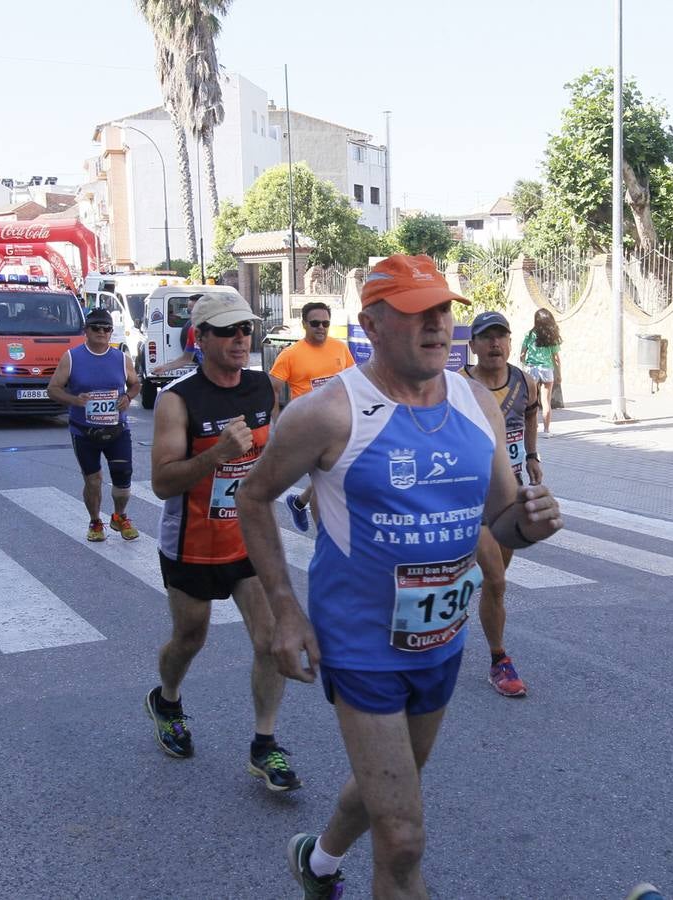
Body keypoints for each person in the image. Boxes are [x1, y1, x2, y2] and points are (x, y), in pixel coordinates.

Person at [236, 254, 564, 899]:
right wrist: (285, 611)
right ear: (373, 325)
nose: (438, 326)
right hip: (360, 642)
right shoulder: (330, 413)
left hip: (441, 636)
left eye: (444, 310)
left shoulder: (476, 403)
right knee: (404, 837)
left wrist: (531, 522)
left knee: (395, 780)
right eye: (418, 313)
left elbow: (501, 520)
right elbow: (253, 497)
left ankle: (320, 862)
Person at [145, 292, 300, 793]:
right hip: (192, 543)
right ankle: (166, 699)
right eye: (228, 331)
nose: (240, 339)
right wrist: (216, 455)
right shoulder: (178, 400)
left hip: (249, 541)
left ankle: (264, 745)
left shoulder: (263, 389)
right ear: (202, 338)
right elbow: (163, 483)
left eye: (246, 329)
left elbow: (270, 456)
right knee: (191, 638)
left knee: (271, 641)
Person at [461, 310, 542, 697]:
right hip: (468, 497)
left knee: (496, 587)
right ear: (473, 344)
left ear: (510, 341)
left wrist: (532, 457)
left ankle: (461, 585)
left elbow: (530, 416)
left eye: (501, 336)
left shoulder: (525, 381)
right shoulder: (456, 385)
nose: (495, 343)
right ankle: (500, 660)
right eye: (486, 337)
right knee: (494, 577)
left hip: (508, 498)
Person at [47, 308, 141, 542]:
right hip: (84, 431)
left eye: (106, 329)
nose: (102, 332)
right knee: (93, 479)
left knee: (123, 479)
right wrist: (74, 400)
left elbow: (136, 384)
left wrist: (127, 398)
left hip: (117, 430)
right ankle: (96, 521)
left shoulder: (121, 358)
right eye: (96, 328)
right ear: (86, 331)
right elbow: (53, 389)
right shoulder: (72, 357)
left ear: (111, 332)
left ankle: (119, 516)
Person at [268, 300, 356, 532]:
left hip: (339, 425)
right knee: (326, 481)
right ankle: (325, 538)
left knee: (334, 477)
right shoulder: (290, 354)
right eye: (315, 323)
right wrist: (278, 427)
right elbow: (271, 392)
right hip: (306, 429)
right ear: (304, 324)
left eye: (325, 323)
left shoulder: (340, 348)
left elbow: (352, 382)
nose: (321, 328)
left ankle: (298, 503)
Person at [519, 307, 562, 436]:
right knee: (545, 401)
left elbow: (522, 354)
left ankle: (532, 427)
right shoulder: (551, 336)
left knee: (531, 401)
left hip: (532, 369)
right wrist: (559, 374)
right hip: (547, 369)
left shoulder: (529, 334)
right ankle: (546, 430)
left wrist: (524, 365)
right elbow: (556, 358)